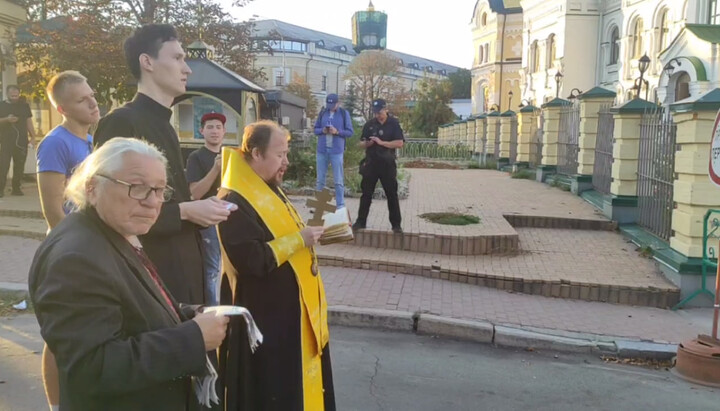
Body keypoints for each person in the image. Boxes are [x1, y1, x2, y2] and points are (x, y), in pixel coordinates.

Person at [28, 137, 230, 410]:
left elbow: (128, 308)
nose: (153, 203)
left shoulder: (108, 232)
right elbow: (94, 367)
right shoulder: (77, 260)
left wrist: (184, 313)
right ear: (92, 187)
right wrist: (193, 338)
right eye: (137, 188)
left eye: (160, 190)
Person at [94, 24, 233, 305]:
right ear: (147, 62)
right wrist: (186, 211)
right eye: (177, 58)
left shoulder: (164, 124)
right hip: (149, 280)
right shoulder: (122, 121)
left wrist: (199, 208)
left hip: (182, 272)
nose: (187, 69)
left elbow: (171, 197)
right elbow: (111, 212)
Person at [217, 120, 335, 410]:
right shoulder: (233, 200)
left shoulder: (269, 189)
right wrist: (299, 239)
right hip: (266, 324)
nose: (286, 162)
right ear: (256, 154)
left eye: (287, 153)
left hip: (289, 320)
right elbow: (252, 261)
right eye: (280, 154)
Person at [34, 70, 100, 411]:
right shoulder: (55, 143)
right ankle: (57, 406)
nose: (92, 102)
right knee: (59, 336)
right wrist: (76, 252)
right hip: (67, 253)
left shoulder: (89, 140)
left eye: (91, 94)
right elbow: (52, 210)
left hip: (89, 248)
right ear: (62, 109)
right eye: (82, 100)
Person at [186, 112, 226, 306]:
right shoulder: (196, 158)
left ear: (224, 131)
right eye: (210, 127)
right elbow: (194, 194)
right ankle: (212, 311)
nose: (215, 131)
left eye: (218, 127)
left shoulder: (231, 156)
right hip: (209, 222)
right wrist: (215, 169)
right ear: (201, 131)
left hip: (231, 219)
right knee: (212, 269)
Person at [353, 98, 405, 233]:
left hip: (387, 163)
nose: (378, 115)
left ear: (385, 109)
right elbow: (360, 143)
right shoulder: (370, 124)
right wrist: (368, 144)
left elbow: (399, 143)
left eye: (380, 112)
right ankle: (360, 222)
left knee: (391, 194)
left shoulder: (393, 123)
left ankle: (396, 225)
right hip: (371, 163)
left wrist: (382, 143)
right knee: (366, 194)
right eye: (375, 112)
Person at [313, 93, 353, 209]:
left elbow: (350, 132)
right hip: (322, 150)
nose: (330, 107)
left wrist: (337, 132)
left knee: (338, 180)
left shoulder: (344, 114)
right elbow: (316, 129)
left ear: (338, 103)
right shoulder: (322, 112)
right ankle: (319, 206)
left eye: (332, 104)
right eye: (328, 104)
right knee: (320, 179)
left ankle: (340, 205)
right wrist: (323, 130)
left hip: (336, 151)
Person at [0, 84, 36, 197]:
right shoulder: (2, 105)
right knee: (3, 165)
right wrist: (7, 119)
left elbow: (28, 121)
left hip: (21, 141)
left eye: (16, 93)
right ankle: (1, 189)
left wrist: (33, 137)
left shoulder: (24, 106)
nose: (14, 94)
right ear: (7, 94)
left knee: (19, 166)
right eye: (12, 93)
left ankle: (16, 188)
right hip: (5, 141)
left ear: (19, 93)